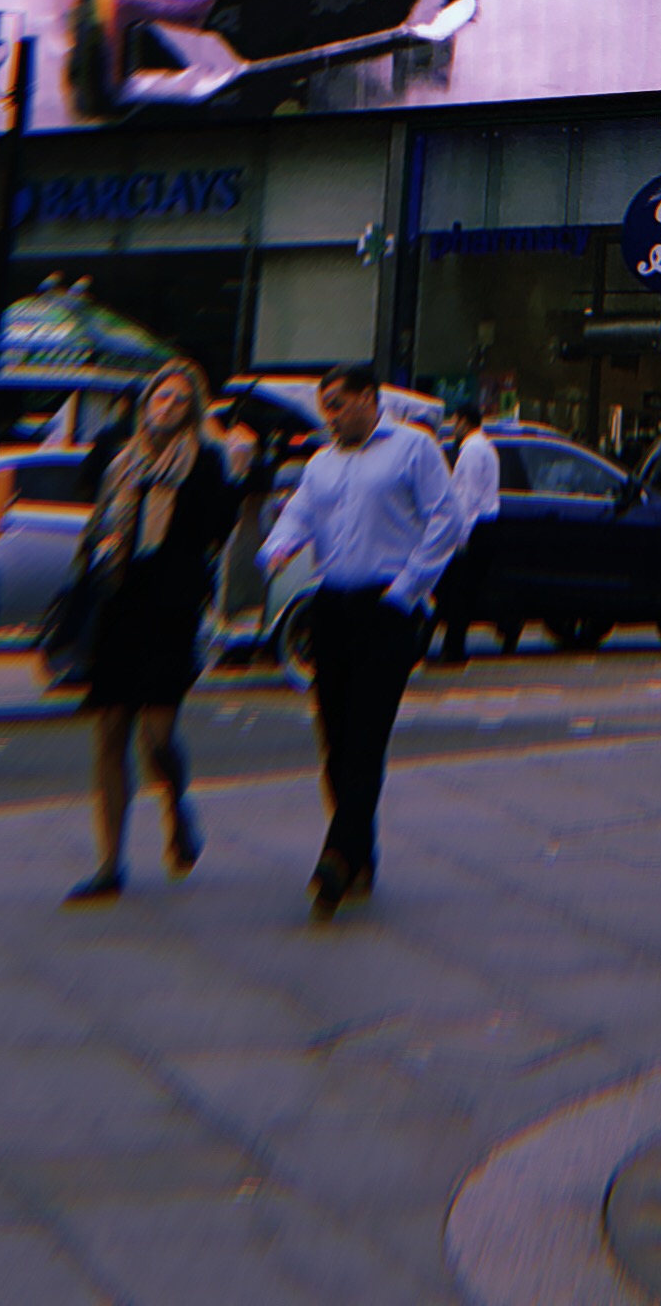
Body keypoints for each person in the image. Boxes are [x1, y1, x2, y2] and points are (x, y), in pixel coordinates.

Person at [259, 364, 462, 917]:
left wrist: (406, 589)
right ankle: (359, 851)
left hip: (386, 607)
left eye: (339, 403)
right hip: (332, 606)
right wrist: (276, 549)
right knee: (335, 739)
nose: (330, 415)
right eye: (325, 405)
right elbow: (299, 514)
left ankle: (335, 858)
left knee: (367, 738)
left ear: (369, 398)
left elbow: (446, 519)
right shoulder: (322, 462)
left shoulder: (412, 448)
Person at [65, 361, 236, 905]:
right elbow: (94, 509)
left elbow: (216, 529)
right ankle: (109, 864)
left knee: (156, 738)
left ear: (192, 412)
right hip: (119, 602)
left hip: (170, 609)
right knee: (111, 731)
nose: (167, 406)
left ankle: (176, 804)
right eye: (161, 396)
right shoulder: (121, 456)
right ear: (146, 402)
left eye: (180, 400)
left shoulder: (203, 462)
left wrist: (230, 466)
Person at [437, 405, 503, 666]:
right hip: (484, 525)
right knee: (466, 591)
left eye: (455, 421)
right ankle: (455, 646)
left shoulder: (472, 450)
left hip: (475, 527)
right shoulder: (485, 446)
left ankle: (454, 649)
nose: (453, 427)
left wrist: (460, 536)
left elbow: (468, 497)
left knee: (460, 592)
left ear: (464, 422)